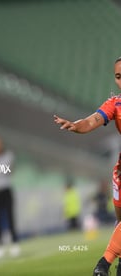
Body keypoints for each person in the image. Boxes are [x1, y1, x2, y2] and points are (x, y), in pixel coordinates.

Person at [54, 56, 121, 276]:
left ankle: (104, 263)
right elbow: (93, 120)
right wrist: (75, 125)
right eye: (118, 77)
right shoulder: (115, 104)